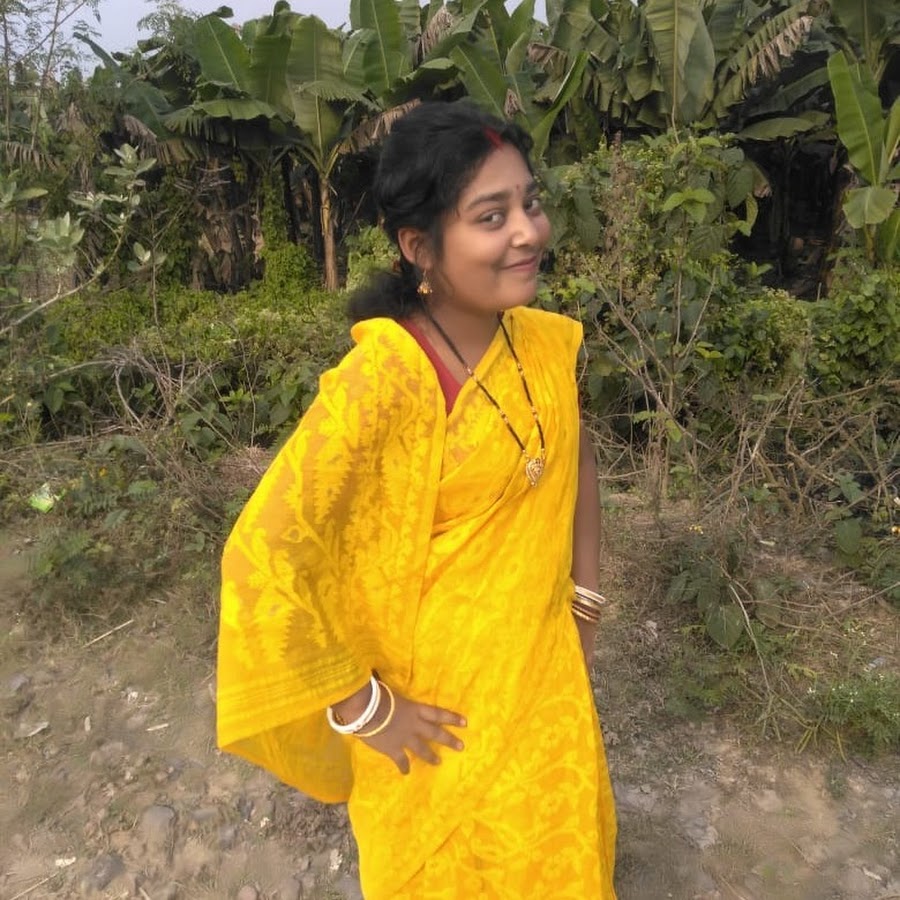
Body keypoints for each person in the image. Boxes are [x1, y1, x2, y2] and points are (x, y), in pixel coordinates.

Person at [216, 100, 617, 898]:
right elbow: (263, 558)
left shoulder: (541, 342)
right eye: (491, 216)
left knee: (560, 855)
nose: (528, 232)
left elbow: (573, 462)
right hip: (437, 718)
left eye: (531, 203)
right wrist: (364, 709)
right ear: (418, 246)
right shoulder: (386, 379)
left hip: (544, 680)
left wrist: (585, 601)